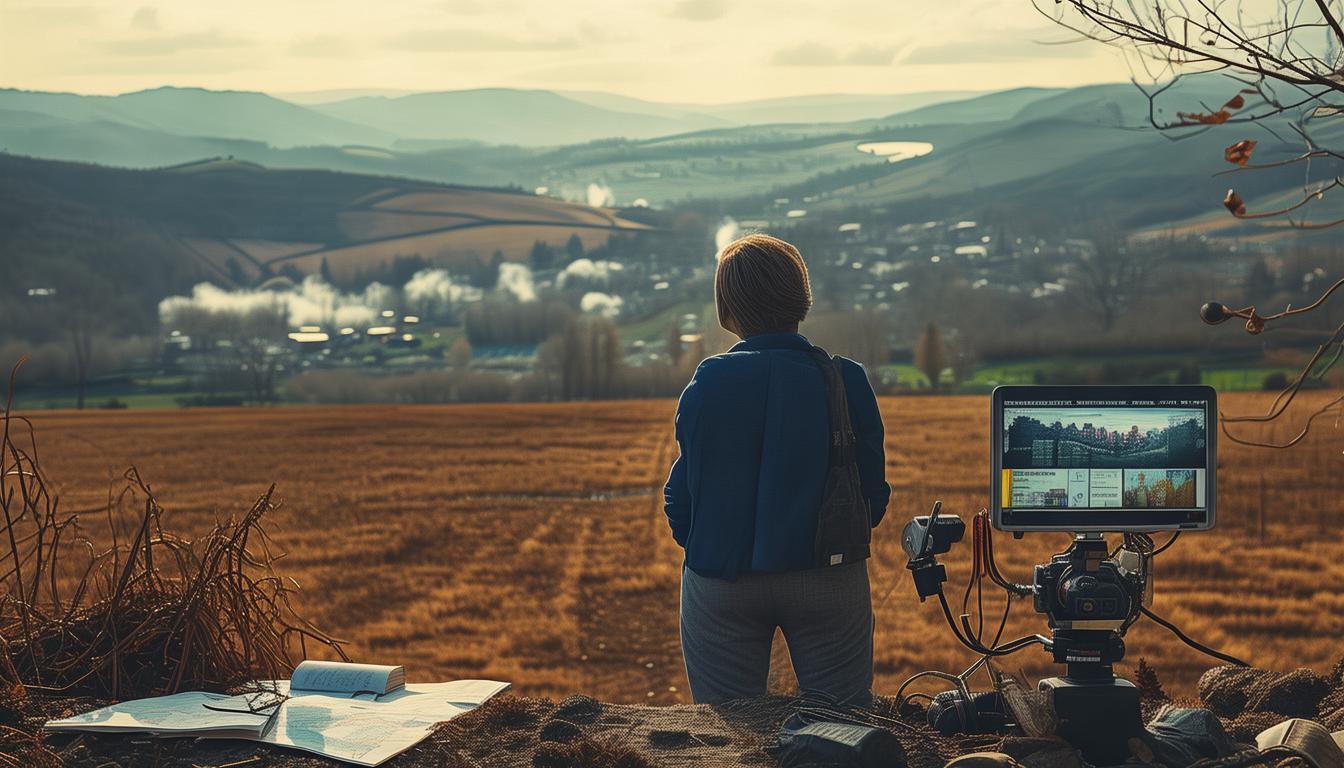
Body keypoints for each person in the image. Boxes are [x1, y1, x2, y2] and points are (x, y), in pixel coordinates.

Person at [663, 233, 890, 707]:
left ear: (727, 311)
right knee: (843, 730)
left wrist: (710, 546)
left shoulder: (705, 385)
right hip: (828, 574)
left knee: (729, 735)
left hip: (722, 577)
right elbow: (873, 493)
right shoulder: (845, 378)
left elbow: (679, 497)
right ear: (801, 298)